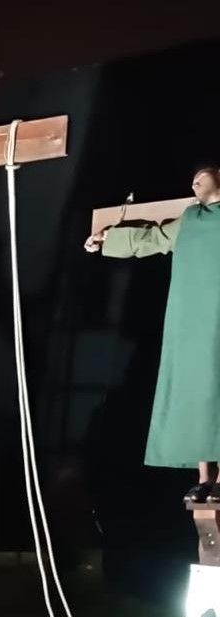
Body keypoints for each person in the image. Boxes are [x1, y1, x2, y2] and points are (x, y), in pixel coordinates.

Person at [85, 166, 220, 502]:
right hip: (192, 320)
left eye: (203, 176)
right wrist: (108, 239)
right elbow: (154, 237)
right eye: (193, 179)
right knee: (195, 391)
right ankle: (205, 477)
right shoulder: (189, 219)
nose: (195, 182)